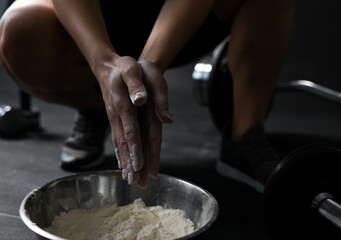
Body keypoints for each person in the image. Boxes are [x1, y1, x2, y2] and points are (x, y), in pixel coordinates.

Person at [0, 0, 293, 191]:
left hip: (185, 17)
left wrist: (152, 62)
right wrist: (102, 63)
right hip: (96, 17)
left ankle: (244, 137)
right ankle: (97, 105)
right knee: (18, 29)